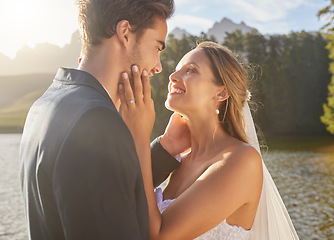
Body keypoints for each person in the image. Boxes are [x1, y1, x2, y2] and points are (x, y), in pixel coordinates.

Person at [19, 0, 178, 239]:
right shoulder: (98, 122)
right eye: (157, 48)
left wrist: (165, 148)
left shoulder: (43, 105)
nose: (157, 67)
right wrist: (139, 136)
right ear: (125, 33)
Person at [120, 41, 300, 239]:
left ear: (221, 92)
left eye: (191, 70)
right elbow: (118, 202)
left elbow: (159, 235)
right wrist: (164, 145)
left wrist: (139, 138)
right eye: (176, 70)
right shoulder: (178, 159)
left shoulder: (241, 161)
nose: (172, 77)